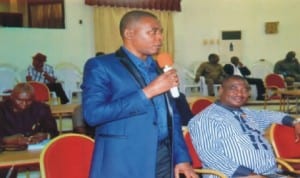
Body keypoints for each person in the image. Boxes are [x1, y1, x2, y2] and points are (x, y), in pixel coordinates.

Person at [81, 10, 197, 178]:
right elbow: (93, 114)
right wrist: (147, 92)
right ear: (129, 33)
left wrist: (181, 158)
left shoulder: (159, 68)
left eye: (161, 32)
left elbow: (173, 116)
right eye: (152, 32)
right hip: (124, 160)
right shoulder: (101, 66)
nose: (160, 38)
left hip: (164, 157)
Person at [188, 75, 300, 178]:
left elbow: (272, 115)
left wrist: (295, 122)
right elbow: (211, 156)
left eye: (245, 90)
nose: (240, 94)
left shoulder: (248, 113)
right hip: (234, 175)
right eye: (233, 89)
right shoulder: (205, 118)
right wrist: (248, 174)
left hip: (270, 173)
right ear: (221, 90)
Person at [0, 83, 58, 178]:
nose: (24, 104)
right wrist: (6, 140)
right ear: (11, 97)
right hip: (7, 153)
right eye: (19, 100)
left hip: (34, 152)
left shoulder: (41, 108)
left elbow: (54, 131)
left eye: (29, 101)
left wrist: (45, 135)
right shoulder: (2, 109)